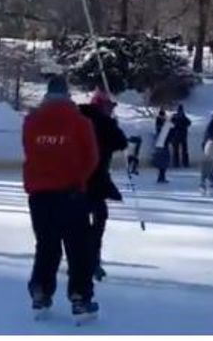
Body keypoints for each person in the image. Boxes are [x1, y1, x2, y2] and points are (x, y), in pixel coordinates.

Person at [23, 75, 100, 319]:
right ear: (67, 95)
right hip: (70, 193)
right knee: (78, 248)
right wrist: (79, 180)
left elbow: (30, 151)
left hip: (39, 193)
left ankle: (41, 292)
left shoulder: (31, 122)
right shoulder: (80, 122)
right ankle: (80, 297)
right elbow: (92, 158)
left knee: (46, 245)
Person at [79, 90, 127, 282]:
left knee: (83, 225)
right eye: (108, 107)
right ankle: (91, 262)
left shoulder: (80, 118)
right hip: (96, 182)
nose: (110, 110)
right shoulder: (104, 124)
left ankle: (85, 261)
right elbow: (121, 142)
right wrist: (113, 124)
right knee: (96, 225)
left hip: (80, 181)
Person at [153, 111, 173, 184]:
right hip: (163, 145)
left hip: (159, 144)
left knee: (161, 162)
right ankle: (161, 177)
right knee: (164, 161)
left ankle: (161, 177)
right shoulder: (163, 124)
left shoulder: (159, 123)